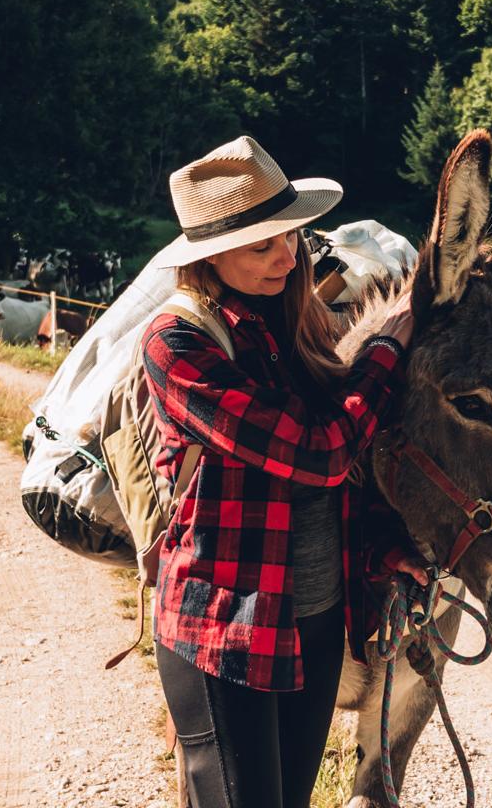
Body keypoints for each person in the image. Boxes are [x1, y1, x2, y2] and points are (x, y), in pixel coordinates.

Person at [140, 136, 419, 807]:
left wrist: (384, 551)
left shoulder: (296, 326)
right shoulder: (177, 343)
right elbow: (319, 454)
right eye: (262, 244)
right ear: (210, 255)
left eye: (290, 236)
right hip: (223, 628)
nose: (288, 257)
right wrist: (386, 347)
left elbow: (327, 496)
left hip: (314, 623)